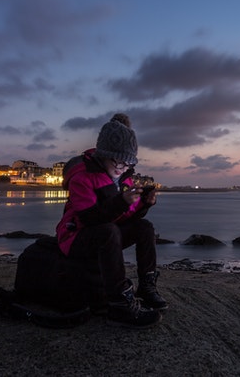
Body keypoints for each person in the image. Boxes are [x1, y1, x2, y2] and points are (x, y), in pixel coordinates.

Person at [55, 113, 167, 328]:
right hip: (74, 236)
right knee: (109, 231)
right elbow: (89, 218)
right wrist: (121, 202)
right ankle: (118, 304)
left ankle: (147, 285)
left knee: (144, 228)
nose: (121, 167)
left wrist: (143, 204)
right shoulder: (82, 177)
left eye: (127, 163)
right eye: (117, 160)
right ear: (103, 154)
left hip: (105, 232)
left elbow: (125, 216)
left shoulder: (124, 177)